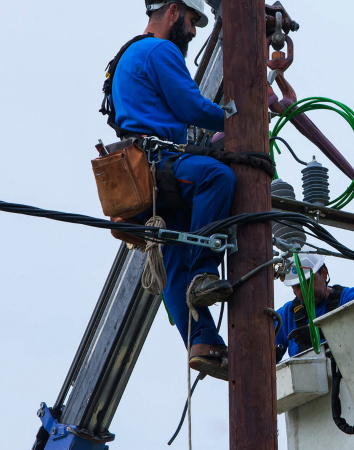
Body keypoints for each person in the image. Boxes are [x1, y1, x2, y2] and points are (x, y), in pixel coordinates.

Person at [109, 1, 234, 380]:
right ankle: (205, 275)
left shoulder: (127, 55)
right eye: (193, 21)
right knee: (218, 177)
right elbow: (191, 106)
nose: (194, 32)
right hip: (159, 166)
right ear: (175, 11)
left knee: (177, 255)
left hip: (143, 173)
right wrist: (243, 115)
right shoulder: (160, 49)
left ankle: (203, 342)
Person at [274, 252, 354, 360]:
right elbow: (264, 348)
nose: (305, 291)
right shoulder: (286, 315)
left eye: (308, 282)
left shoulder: (350, 298)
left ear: (323, 274)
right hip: (308, 375)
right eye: (298, 287)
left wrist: (322, 332)